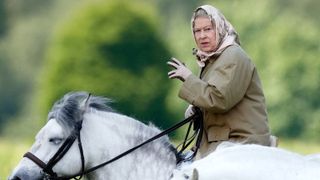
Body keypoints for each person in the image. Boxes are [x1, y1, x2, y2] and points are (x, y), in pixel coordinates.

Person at [167, 4, 274, 159]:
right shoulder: (213, 60)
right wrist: (197, 109)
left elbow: (219, 99)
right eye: (197, 31)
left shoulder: (233, 56)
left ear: (219, 28)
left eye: (208, 29)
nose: (202, 35)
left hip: (242, 144)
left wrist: (188, 78)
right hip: (222, 144)